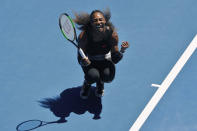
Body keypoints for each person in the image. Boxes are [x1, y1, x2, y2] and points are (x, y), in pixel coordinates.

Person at [74, 9, 129, 99]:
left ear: (105, 21)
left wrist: (122, 50)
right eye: (95, 20)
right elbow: (80, 57)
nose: (98, 22)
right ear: (91, 23)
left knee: (108, 77)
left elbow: (115, 59)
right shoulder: (84, 36)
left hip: (106, 61)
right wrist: (83, 62)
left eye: (100, 19)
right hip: (91, 62)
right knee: (93, 76)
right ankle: (87, 84)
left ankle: (101, 83)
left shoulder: (112, 34)